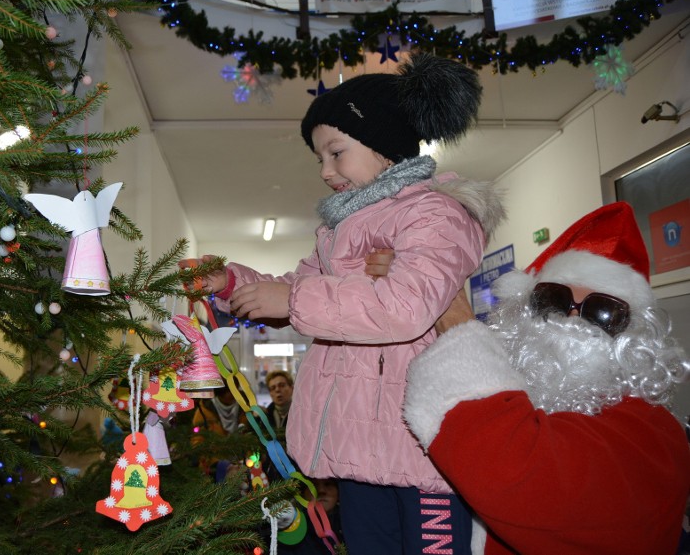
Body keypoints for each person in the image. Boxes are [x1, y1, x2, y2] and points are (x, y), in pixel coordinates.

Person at [185, 52, 505, 553]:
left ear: (385, 147)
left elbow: (404, 306)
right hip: (358, 446)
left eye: (336, 153)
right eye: (319, 159)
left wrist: (292, 297)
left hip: (424, 447)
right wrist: (230, 282)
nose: (325, 171)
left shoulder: (435, 215)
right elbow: (297, 286)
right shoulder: (339, 231)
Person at [403, 201, 690, 555]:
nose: (571, 320)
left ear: (634, 336)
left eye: (602, 311)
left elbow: (521, 476)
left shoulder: (654, 433)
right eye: (553, 300)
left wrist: (456, 322)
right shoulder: (517, 391)